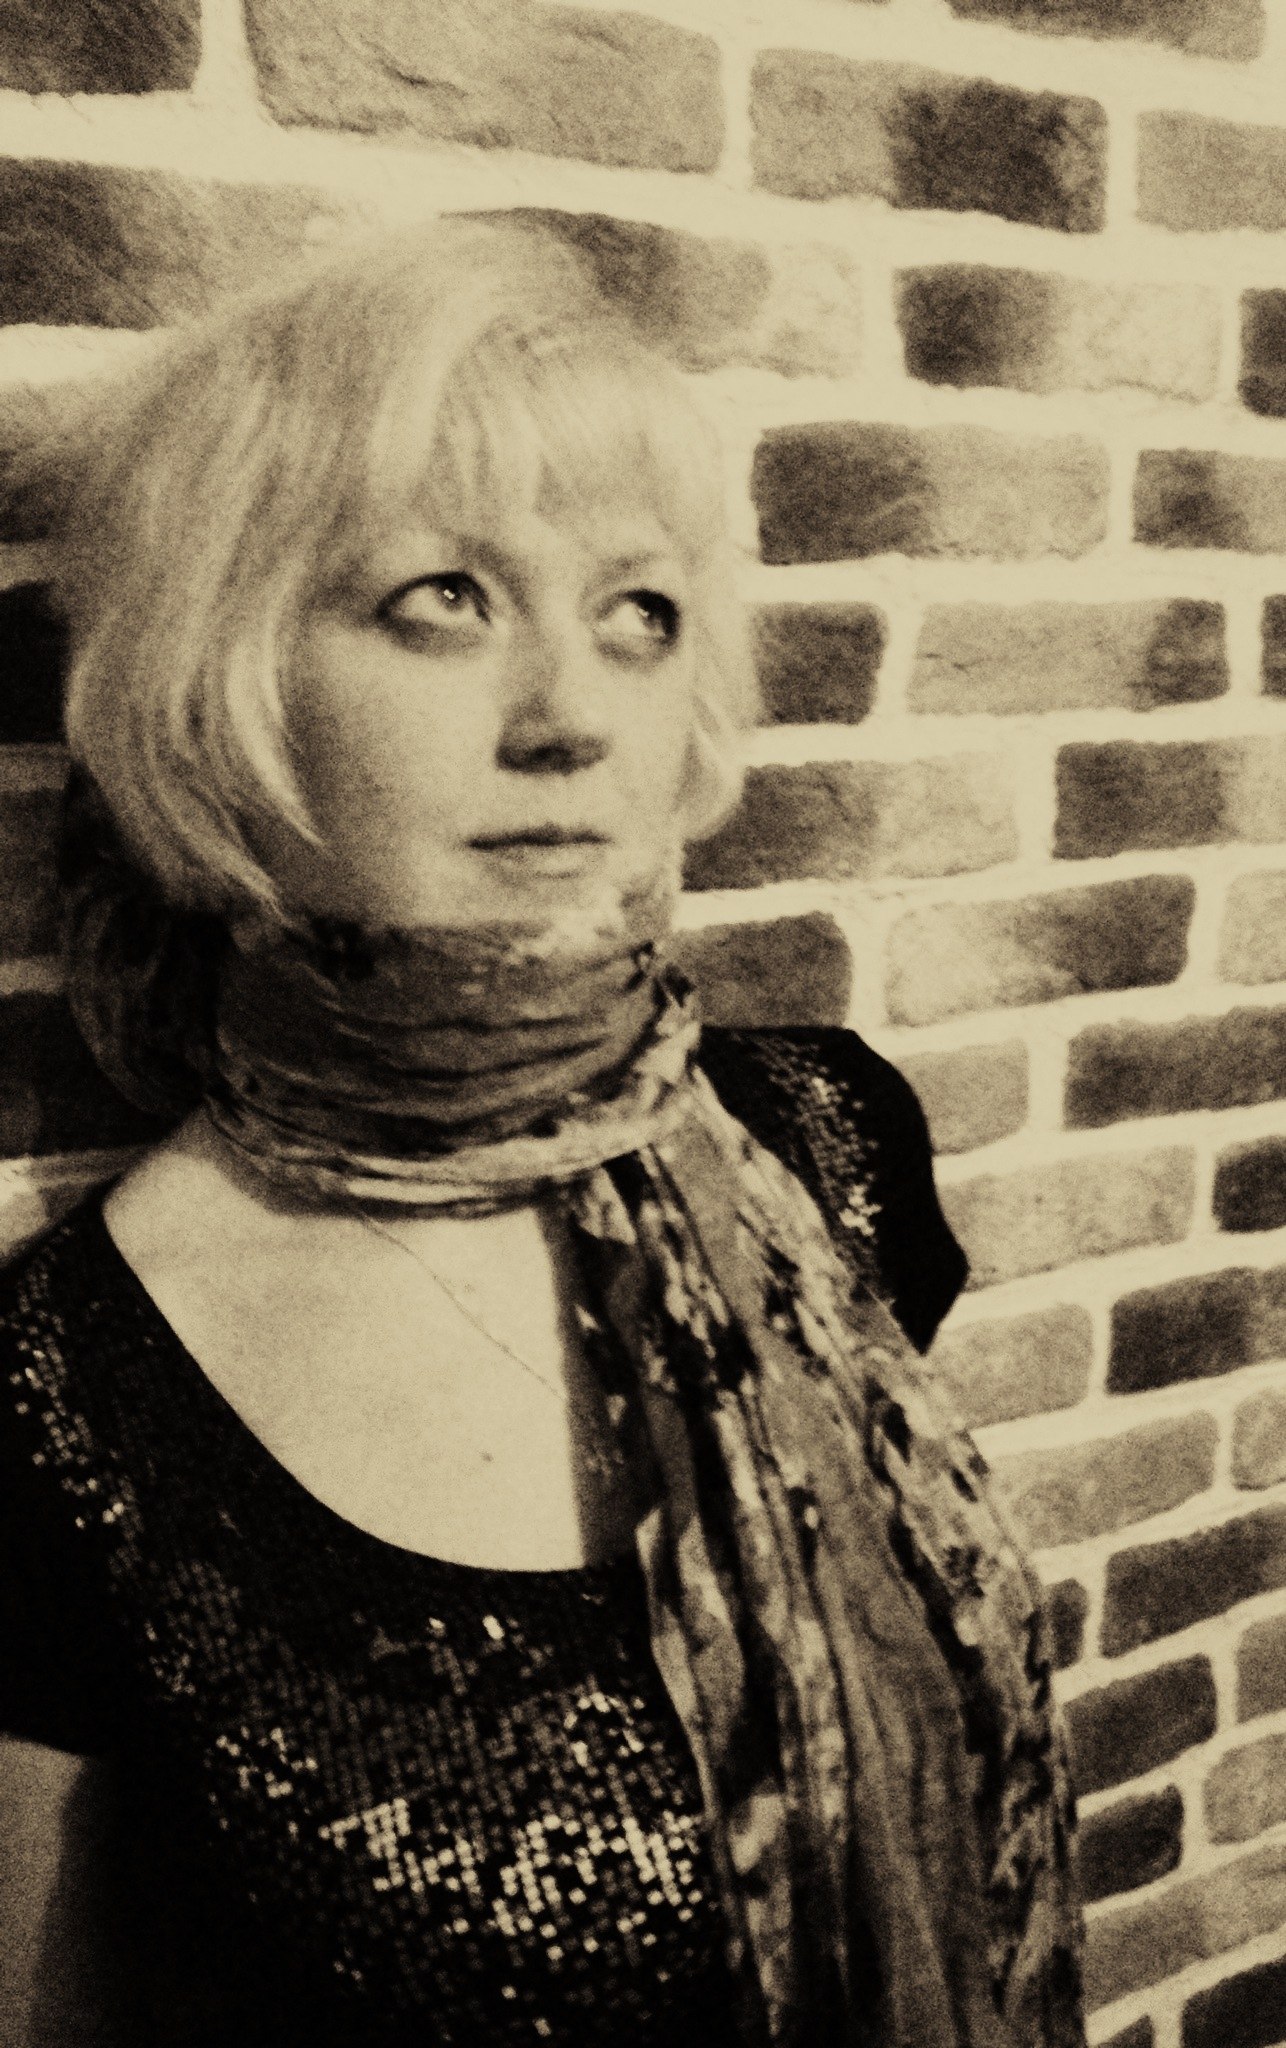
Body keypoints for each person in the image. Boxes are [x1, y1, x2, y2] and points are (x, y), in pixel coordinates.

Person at [0, 218, 1085, 2048]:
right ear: (221, 671)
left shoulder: (823, 1149)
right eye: (444, 597)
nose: (574, 716)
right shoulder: (67, 1397)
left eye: (637, 612)